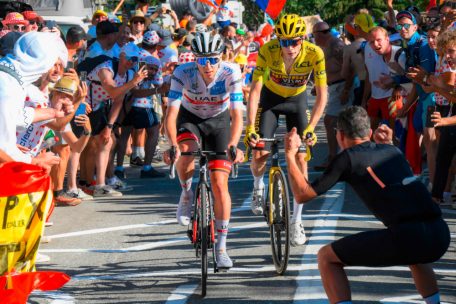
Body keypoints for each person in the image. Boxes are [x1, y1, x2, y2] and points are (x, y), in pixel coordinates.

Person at [284, 106, 450, 304]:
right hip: (439, 233)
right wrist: (388, 143)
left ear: (340, 135)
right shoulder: (392, 150)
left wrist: (290, 154)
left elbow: (302, 194)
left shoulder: (347, 158)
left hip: (408, 235)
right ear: (369, 133)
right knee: (416, 255)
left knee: (326, 257)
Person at [244, 14, 328, 246]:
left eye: (295, 41)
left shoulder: (315, 53)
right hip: (270, 101)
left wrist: (311, 128)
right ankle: (258, 185)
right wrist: (250, 126)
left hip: (297, 102)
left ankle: (297, 220)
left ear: (303, 39)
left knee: (301, 158)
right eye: (284, 42)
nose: (289, 47)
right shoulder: (267, 50)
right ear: (277, 40)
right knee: (260, 151)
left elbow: (322, 95)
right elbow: (255, 90)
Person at [164, 32, 244, 269]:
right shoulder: (182, 72)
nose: (207, 65)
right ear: (194, 59)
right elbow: (171, 115)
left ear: (221, 57)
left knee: (220, 184)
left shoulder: (232, 72)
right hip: (191, 118)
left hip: (219, 121)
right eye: (201, 60)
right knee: (186, 151)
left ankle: (221, 247)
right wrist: (172, 144)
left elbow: (237, 114)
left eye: (213, 59)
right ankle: (187, 193)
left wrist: (233, 144)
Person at [0, 32, 69, 172]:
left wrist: (53, 112)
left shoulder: (10, 77)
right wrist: (35, 161)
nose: (54, 69)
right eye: (52, 62)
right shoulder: (9, 87)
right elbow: (4, 148)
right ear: (42, 62)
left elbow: (16, 116)